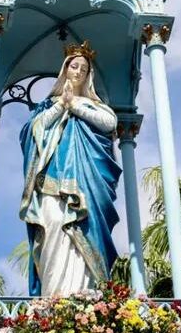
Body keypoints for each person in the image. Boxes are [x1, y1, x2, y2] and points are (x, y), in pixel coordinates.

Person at [19, 41, 121, 296]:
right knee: (53, 222)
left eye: (83, 69)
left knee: (86, 228)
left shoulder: (95, 106)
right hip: (52, 180)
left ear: (88, 77)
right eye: (73, 66)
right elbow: (34, 130)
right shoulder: (48, 105)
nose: (77, 72)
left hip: (87, 181)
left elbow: (110, 123)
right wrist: (61, 105)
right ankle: (52, 297)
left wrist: (75, 105)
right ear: (65, 70)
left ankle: (85, 294)